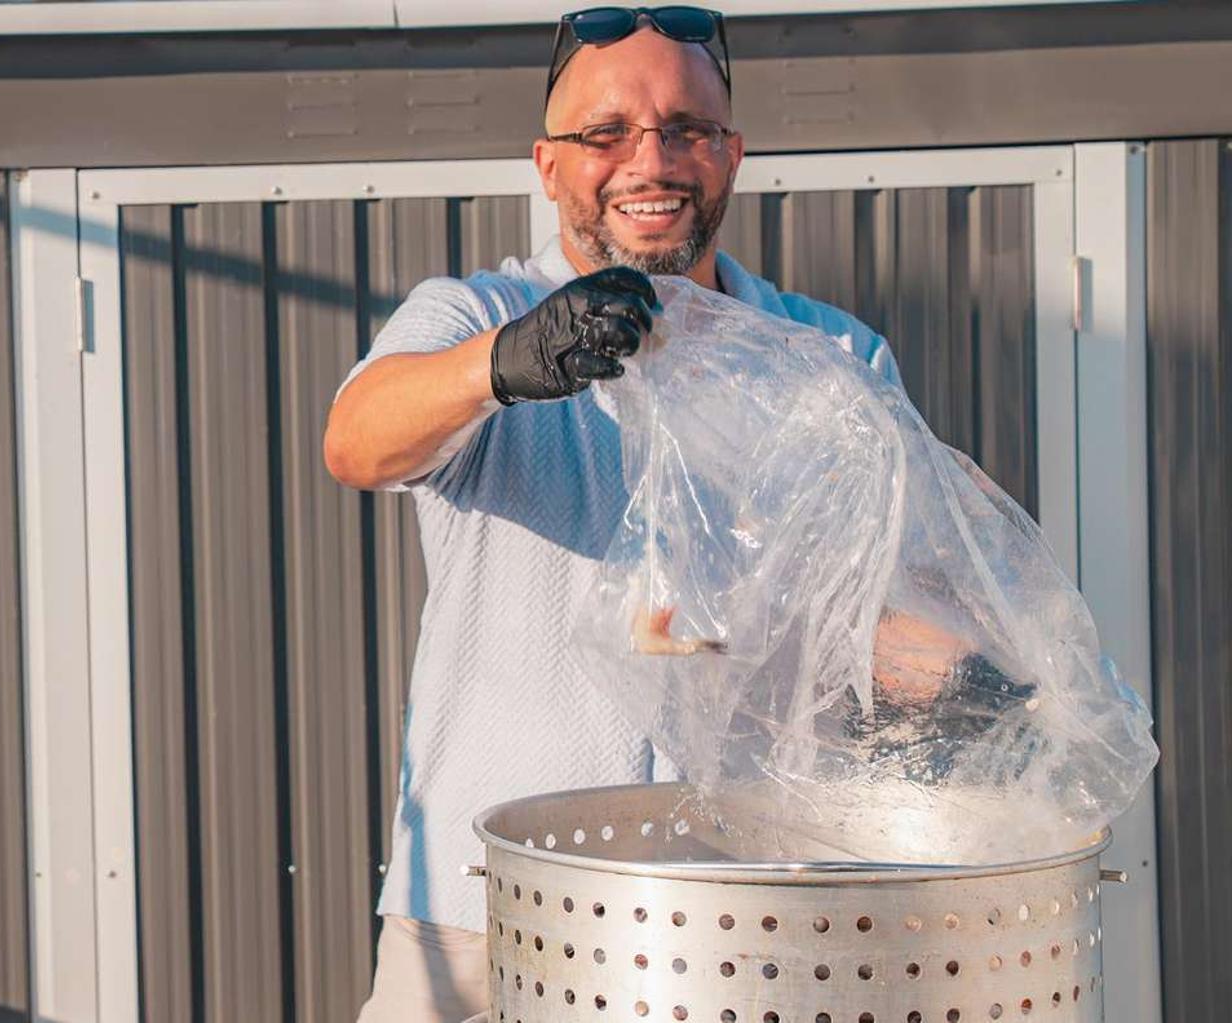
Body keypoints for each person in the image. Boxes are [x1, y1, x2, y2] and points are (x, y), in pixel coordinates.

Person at [324, 8, 942, 1021]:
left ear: (730, 156)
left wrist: (981, 682)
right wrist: (505, 367)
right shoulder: (473, 317)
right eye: (603, 133)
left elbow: (887, 601)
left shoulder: (830, 359)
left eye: (685, 129)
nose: (647, 161)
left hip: (746, 910)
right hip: (487, 914)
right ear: (546, 164)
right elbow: (355, 439)